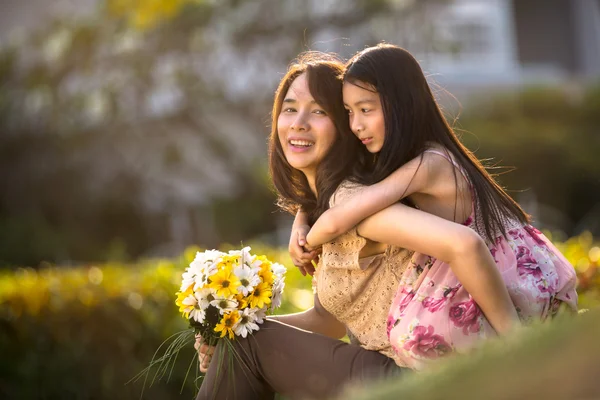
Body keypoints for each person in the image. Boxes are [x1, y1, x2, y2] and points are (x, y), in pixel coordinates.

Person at [195, 52, 513, 399]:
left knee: (246, 346)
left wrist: (520, 347)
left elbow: (463, 244)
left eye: (318, 111)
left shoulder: (356, 204)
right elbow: (327, 321)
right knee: (240, 341)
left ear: (345, 127)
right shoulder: (332, 203)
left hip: (415, 375)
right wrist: (227, 329)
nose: (299, 122)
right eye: (289, 108)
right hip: (386, 369)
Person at [297, 44, 578, 370]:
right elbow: (343, 194)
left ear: (401, 105)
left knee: (422, 338)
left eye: (366, 109)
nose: (355, 124)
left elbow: (341, 216)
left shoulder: (429, 164)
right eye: (348, 112)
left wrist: (307, 241)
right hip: (480, 273)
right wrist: (301, 216)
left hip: (514, 282)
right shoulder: (408, 161)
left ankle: (519, 351)